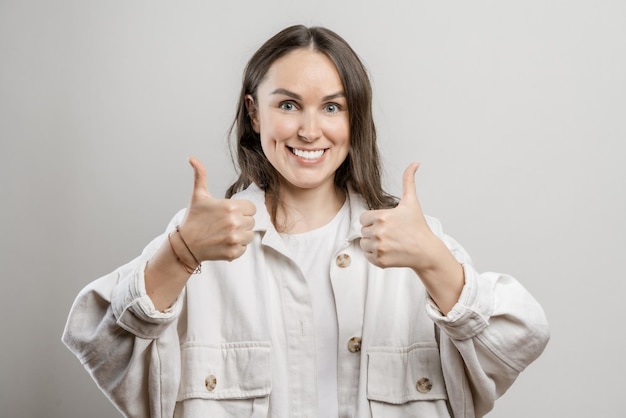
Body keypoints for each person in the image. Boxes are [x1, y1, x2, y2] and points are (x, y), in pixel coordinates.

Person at [62, 25, 549, 418]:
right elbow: (97, 341)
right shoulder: (200, 240)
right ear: (255, 113)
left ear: (354, 119)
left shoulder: (415, 242)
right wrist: (181, 253)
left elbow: (518, 341)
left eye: (332, 107)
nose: (310, 130)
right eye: (288, 104)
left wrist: (434, 262)